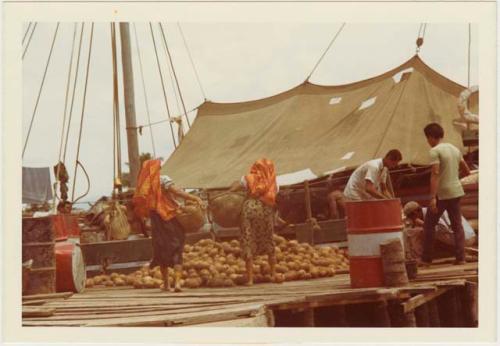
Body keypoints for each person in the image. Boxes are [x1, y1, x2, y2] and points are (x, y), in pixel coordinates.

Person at [133, 159, 203, 292]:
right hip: (169, 217)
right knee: (177, 247)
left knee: (160, 250)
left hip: (156, 221)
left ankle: (166, 285)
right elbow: (177, 192)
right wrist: (193, 198)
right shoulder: (163, 179)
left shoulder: (144, 187)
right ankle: (177, 283)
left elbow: (140, 205)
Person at [421, 123, 470, 266]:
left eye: (427, 138)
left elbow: (435, 174)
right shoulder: (455, 149)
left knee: (429, 225)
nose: (428, 141)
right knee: (457, 225)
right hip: (456, 191)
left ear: (430, 137)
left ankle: (426, 259)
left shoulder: (435, 151)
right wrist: (453, 178)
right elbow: (466, 171)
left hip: (442, 194)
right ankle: (461, 258)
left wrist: (432, 198)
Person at [230, 158, 278, 285]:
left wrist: (235, 187)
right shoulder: (272, 181)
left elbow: (233, 188)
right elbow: (274, 195)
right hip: (265, 212)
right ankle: (273, 274)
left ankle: (250, 279)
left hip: (249, 210)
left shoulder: (247, 178)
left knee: (248, 239)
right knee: (269, 239)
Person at [327, 149, 402, 219]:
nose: (394, 166)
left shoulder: (384, 169)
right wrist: (385, 200)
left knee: (379, 209)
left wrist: (392, 201)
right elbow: (369, 188)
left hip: (365, 194)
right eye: (394, 163)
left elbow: (384, 189)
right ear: (389, 158)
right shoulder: (374, 166)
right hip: (355, 192)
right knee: (364, 216)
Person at [403, 201, 476, 260]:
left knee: (424, 232)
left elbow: (443, 228)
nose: (412, 220)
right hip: (464, 236)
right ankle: (455, 251)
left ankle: (424, 258)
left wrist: (423, 224)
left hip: (466, 238)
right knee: (425, 231)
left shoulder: (430, 212)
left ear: (415, 213)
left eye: (411, 217)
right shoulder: (427, 212)